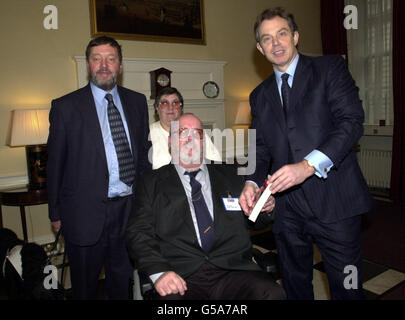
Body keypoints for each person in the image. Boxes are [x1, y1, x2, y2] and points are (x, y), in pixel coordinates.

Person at [239, 7, 375, 300]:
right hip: (287, 210)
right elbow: (259, 148)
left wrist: (307, 165)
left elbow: (351, 123)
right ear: (260, 49)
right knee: (295, 283)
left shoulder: (330, 69)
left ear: (296, 36)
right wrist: (251, 182)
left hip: (336, 201)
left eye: (282, 34)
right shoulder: (258, 95)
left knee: (347, 288)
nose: (276, 43)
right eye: (267, 39)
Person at [126, 114, 285, 300]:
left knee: (273, 294)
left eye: (197, 133)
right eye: (183, 132)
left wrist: (265, 208)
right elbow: (138, 232)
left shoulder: (232, 174)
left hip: (233, 271)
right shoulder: (151, 182)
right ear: (171, 141)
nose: (190, 138)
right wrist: (159, 272)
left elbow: (254, 221)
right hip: (180, 275)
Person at [47, 36, 151, 299]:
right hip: (83, 214)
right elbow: (55, 164)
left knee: (122, 284)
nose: (104, 65)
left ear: (120, 65)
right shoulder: (65, 107)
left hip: (128, 212)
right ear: (88, 64)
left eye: (111, 59)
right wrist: (55, 213)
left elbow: (143, 158)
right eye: (97, 59)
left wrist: (147, 203)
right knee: (84, 288)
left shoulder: (137, 102)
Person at [149, 86, 222, 169]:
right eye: (165, 103)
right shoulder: (147, 134)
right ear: (157, 108)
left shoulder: (197, 132)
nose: (170, 108)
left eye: (175, 103)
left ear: (181, 108)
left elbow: (216, 164)